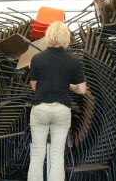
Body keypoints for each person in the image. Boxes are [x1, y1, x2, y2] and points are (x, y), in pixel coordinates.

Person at [27, 21, 87, 181]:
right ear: (66, 38)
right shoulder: (73, 60)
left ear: (49, 35)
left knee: (38, 154)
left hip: (40, 109)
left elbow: (35, 86)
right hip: (62, 111)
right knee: (57, 155)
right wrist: (69, 85)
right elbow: (82, 90)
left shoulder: (37, 58)